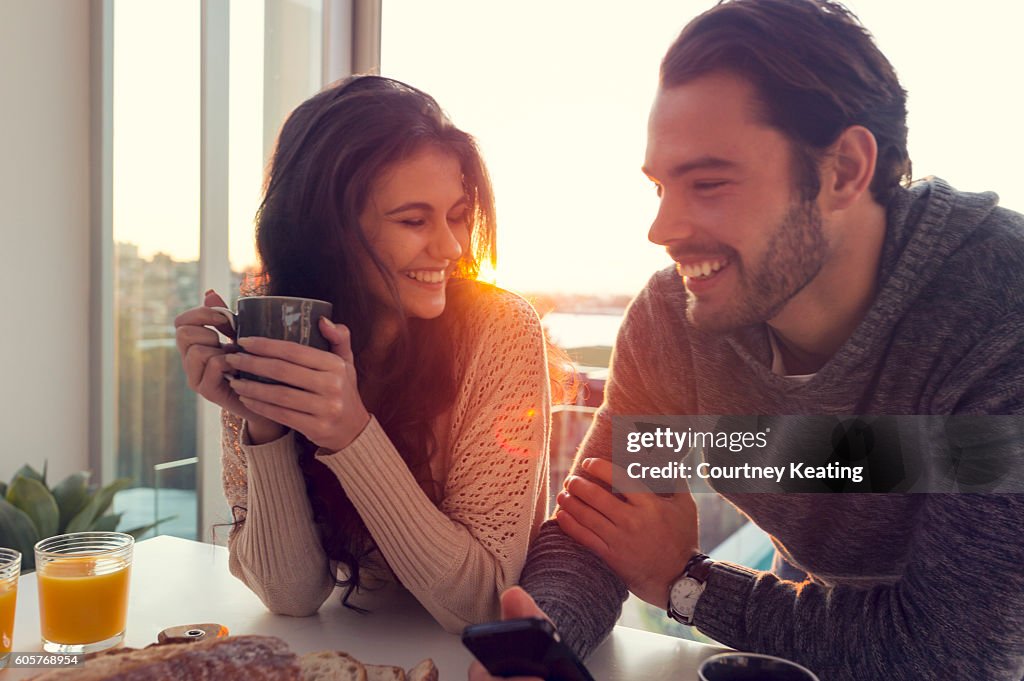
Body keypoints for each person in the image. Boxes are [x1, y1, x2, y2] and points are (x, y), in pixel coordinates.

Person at [469, 1, 1024, 679]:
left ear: (844, 169)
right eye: (660, 186)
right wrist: (542, 637)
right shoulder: (675, 322)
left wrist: (685, 582)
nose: (662, 228)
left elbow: (949, 656)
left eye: (708, 183)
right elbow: (602, 528)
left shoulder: (999, 314)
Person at [174, 75, 552, 633]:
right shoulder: (277, 329)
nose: (451, 248)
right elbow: (291, 595)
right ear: (327, 233)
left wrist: (350, 431)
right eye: (413, 220)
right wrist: (264, 426)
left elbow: (482, 603)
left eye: (457, 214)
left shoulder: (499, 331)